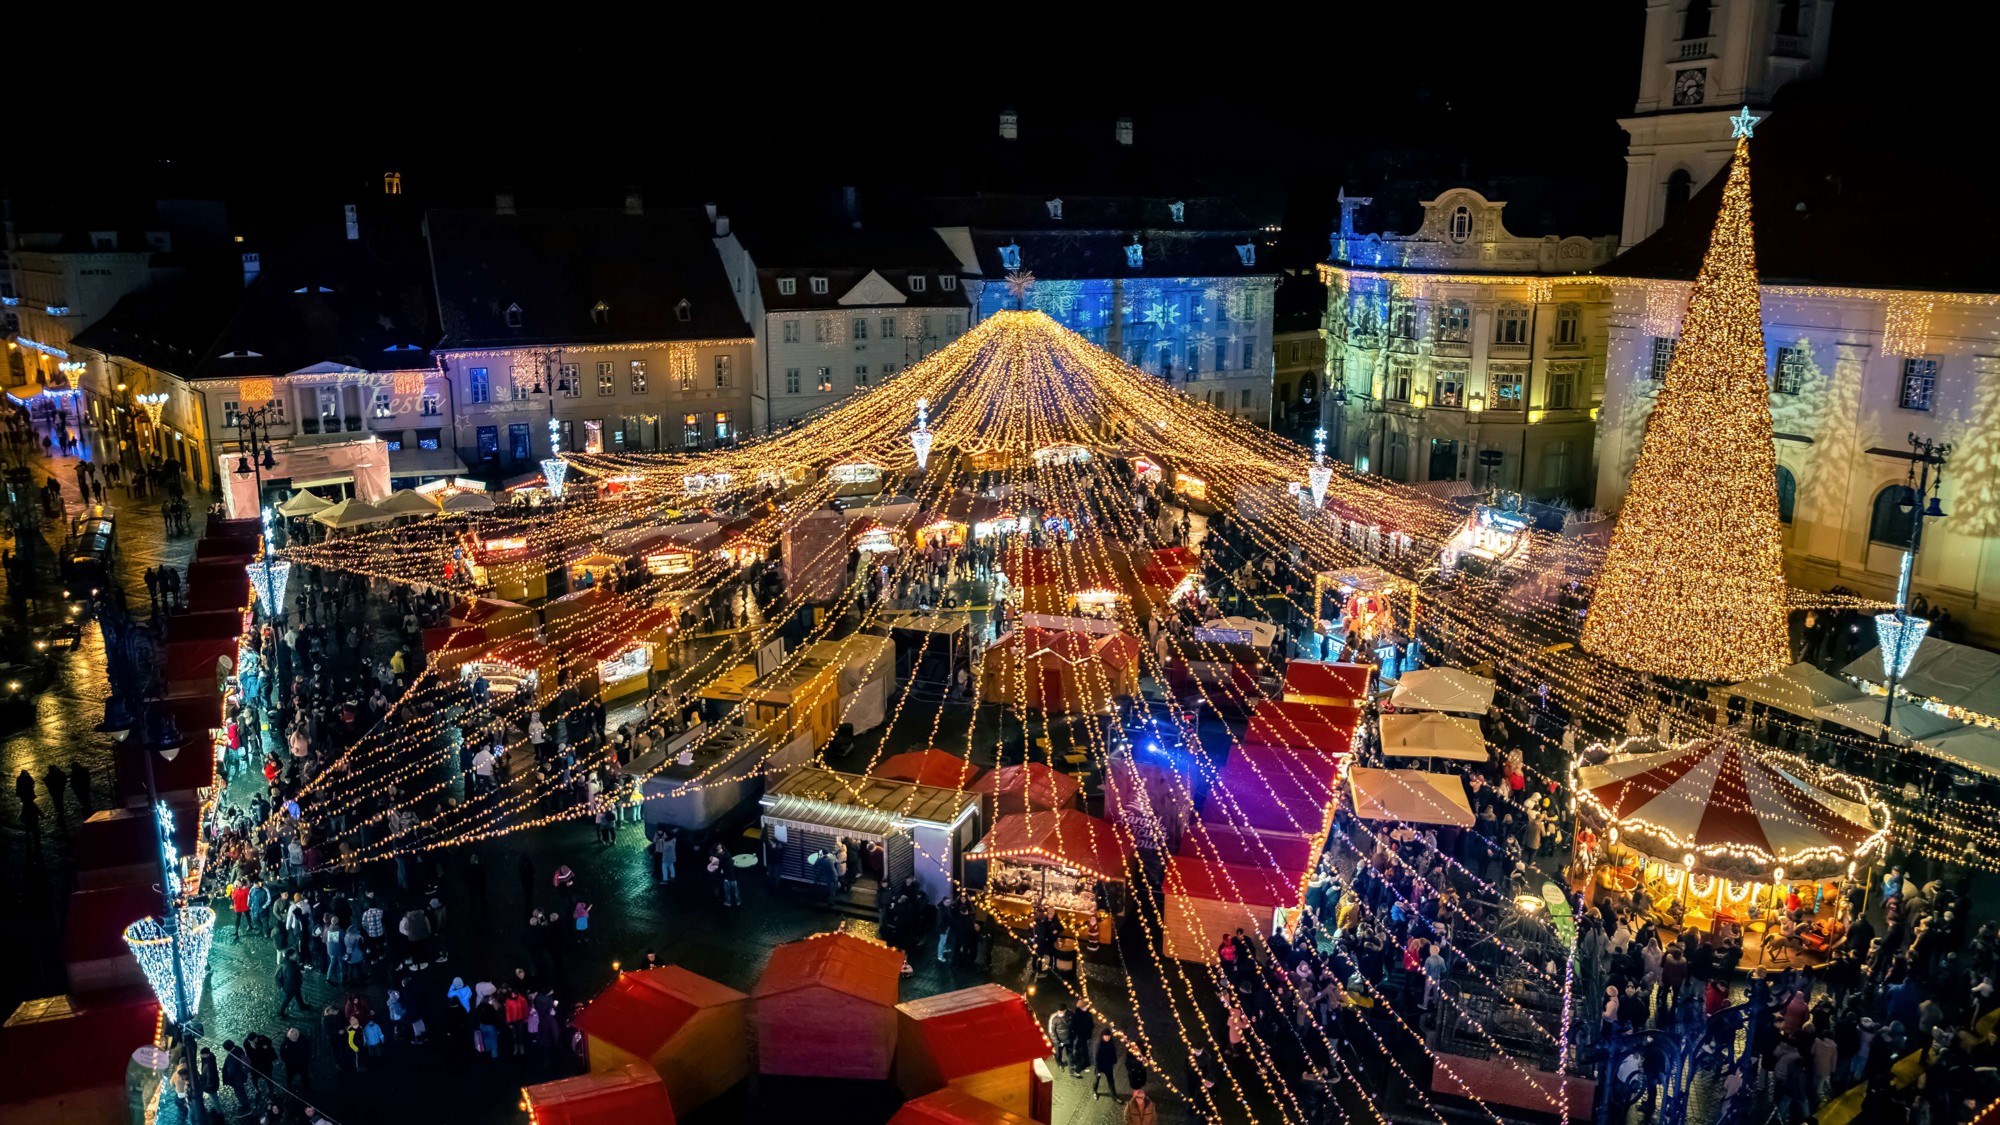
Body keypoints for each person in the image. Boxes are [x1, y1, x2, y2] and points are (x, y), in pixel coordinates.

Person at [1092, 1031, 1120, 1098]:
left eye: (1108, 1036)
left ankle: (1114, 1095)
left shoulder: (1111, 1042)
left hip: (1108, 1066)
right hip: (1100, 1066)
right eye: (1106, 1036)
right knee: (1097, 1079)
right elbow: (1096, 1058)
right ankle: (1094, 1091)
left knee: (1111, 1081)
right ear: (1102, 1036)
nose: (1107, 1038)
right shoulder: (1098, 1044)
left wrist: (1113, 1061)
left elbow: (1113, 1052)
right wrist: (1098, 1070)